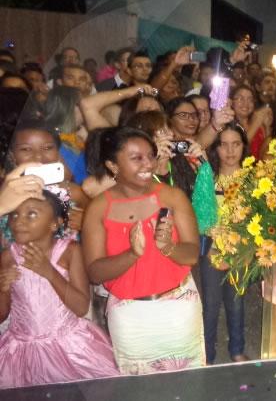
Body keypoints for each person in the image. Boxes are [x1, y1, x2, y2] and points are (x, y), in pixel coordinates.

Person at [81, 127, 205, 374]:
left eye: (150, 155)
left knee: (187, 384)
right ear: (113, 166)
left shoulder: (172, 197)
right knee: (139, 391)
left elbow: (192, 254)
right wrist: (132, 254)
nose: (148, 163)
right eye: (136, 158)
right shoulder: (98, 209)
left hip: (178, 308)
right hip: (130, 317)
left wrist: (168, 247)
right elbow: (95, 272)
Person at [0, 190, 118, 388]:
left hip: (68, 347)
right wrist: (2, 288)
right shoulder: (8, 258)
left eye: (31, 214)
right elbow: (2, 315)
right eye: (15, 214)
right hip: (22, 350)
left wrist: (49, 272)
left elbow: (81, 307)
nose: (19, 221)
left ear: (54, 223)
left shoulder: (70, 252)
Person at [202, 122, 250, 364]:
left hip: (241, 250)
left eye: (236, 144)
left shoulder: (252, 179)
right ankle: (207, 355)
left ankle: (237, 349)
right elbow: (200, 216)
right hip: (212, 248)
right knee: (210, 305)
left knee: (236, 302)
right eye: (224, 145)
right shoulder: (208, 177)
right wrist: (213, 246)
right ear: (215, 148)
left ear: (244, 146)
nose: (230, 151)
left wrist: (246, 248)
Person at [7, 120, 89, 233]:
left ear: (58, 152)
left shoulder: (74, 193)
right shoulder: (6, 193)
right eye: (26, 149)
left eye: (47, 148)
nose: (38, 156)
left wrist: (86, 221)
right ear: (12, 156)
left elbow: (99, 223)